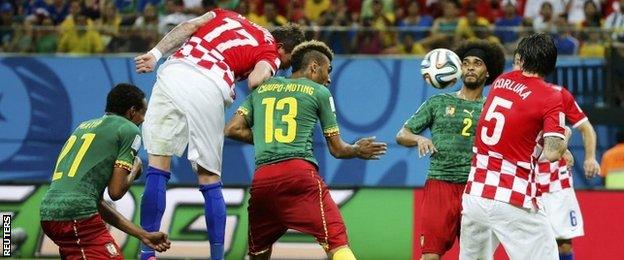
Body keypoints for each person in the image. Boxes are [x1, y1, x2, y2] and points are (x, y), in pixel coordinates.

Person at [133, 7, 305, 260]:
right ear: (282, 47)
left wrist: (155, 53)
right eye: (288, 62)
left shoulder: (226, 14)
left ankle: (147, 255)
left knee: (158, 168)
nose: (285, 67)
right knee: (209, 178)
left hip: (172, 71)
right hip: (209, 83)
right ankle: (217, 257)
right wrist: (277, 81)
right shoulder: (271, 51)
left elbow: (187, 27)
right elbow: (256, 80)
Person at [224, 40, 387, 260]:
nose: (329, 78)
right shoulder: (319, 92)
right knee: (337, 241)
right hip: (299, 177)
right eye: (327, 71)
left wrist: (266, 138)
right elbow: (337, 149)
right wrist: (357, 149)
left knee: (258, 253)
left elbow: (232, 129)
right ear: (313, 67)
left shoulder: (262, 89)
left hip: (262, 180)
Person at [460, 33, 568, 260]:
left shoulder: (501, 81)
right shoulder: (551, 96)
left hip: (475, 195)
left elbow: (516, 128)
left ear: (521, 59)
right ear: (551, 65)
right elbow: (551, 153)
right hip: (513, 198)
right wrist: (564, 136)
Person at [396, 40, 505, 260]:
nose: (470, 67)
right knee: (430, 256)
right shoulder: (438, 102)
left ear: (487, 72)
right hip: (440, 184)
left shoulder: (493, 108)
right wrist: (418, 139)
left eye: (477, 63)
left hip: (477, 188)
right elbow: (402, 134)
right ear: (458, 68)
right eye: (465, 63)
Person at [39, 83, 171, 259]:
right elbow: (115, 192)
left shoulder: (83, 127)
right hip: (77, 215)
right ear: (132, 111)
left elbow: (97, 203)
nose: (144, 119)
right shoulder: (129, 130)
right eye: (143, 112)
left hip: (49, 212)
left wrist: (143, 235)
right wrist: (135, 169)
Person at [510, 53, 600, 260]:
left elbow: (585, 128)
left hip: (555, 181)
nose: (518, 67)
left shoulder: (557, 94)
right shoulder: (505, 94)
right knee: (527, 247)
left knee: (564, 243)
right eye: (515, 62)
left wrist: (589, 157)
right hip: (523, 180)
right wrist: (563, 145)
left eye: (521, 62)